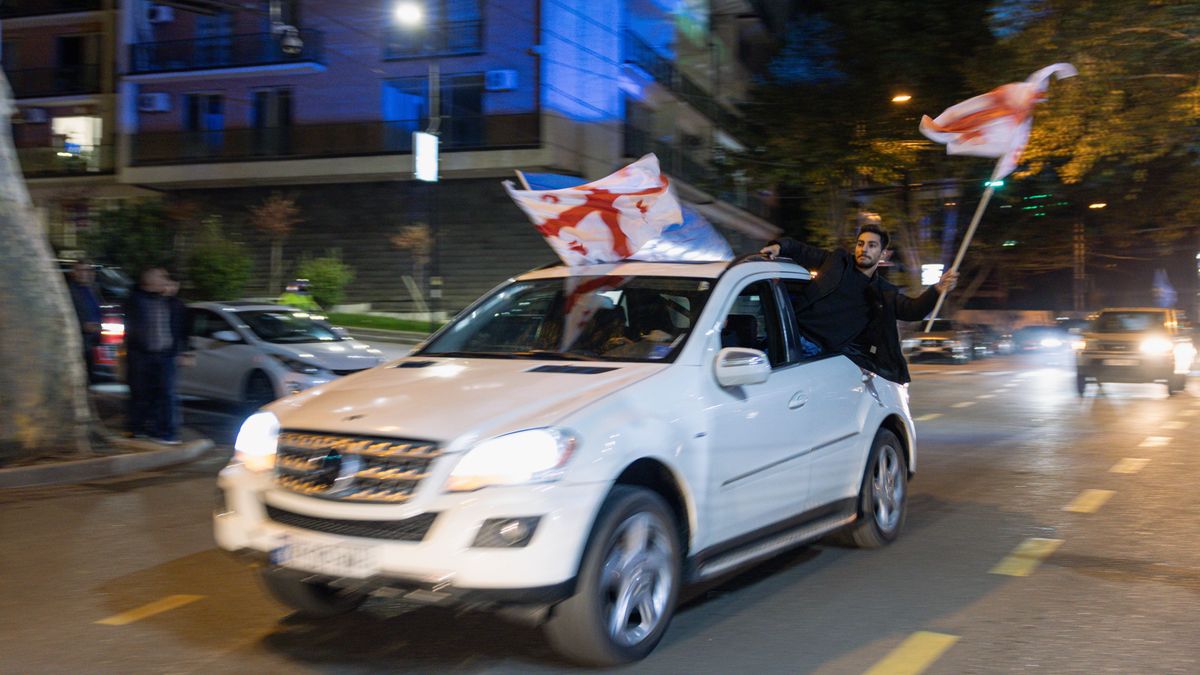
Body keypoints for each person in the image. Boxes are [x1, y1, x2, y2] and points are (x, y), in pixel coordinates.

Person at [760, 224, 958, 384]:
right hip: (789, 335)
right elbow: (802, 250)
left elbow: (913, 310)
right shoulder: (837, 262)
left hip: (819, 356)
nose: (864, 249)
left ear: (883, 255)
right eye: (861, 243)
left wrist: (938, 289)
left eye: (872, 245)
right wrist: (779, 246)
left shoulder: (883, 292)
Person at [124, 267, 188, 444]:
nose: (165, 282)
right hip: (141, 355)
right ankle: (139, 427)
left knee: (166, 393)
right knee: (142, 393)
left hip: (165, 355)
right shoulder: (136, 300)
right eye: (161, 278)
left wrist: (183, 351)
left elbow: (181, 327)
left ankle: (166, 432)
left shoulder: (169, 302)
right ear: (149, 281)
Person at [66, 260, 103, 384]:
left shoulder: (94, 289)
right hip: (77, 343)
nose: (84, 273)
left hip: (93, 341)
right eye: (80, 270)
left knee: (90, 377)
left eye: (87, 270)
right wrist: (83, 326)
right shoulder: (69, 291)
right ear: (74, 272)